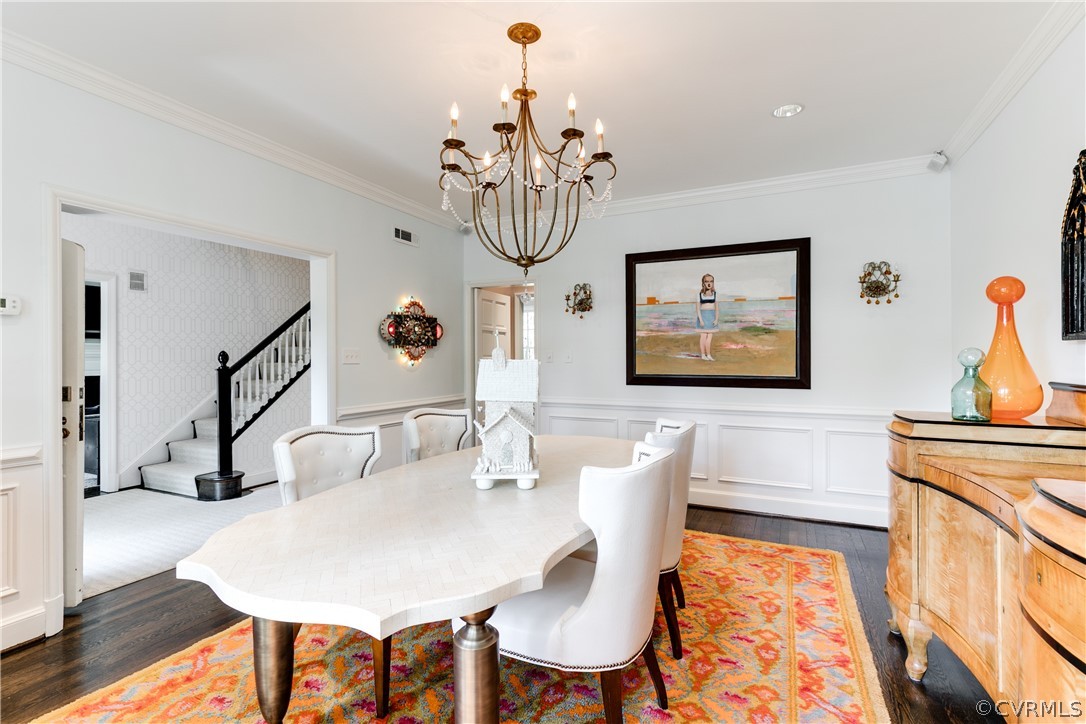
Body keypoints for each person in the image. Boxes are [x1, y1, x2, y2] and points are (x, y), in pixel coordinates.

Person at [695, 273, 719, 360]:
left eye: (711, 281)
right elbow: (698, 309)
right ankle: (703, 355)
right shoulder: (700, 295)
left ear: (713, 283)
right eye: (706, 281)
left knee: (710, 337)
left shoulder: (715, 294)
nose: (709, 283)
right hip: (703, 317)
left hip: (711, 317)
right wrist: (701, 320)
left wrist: (716, 319)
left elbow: (717, 309)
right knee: (703, 336)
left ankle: (708, 355)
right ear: (703, 283)